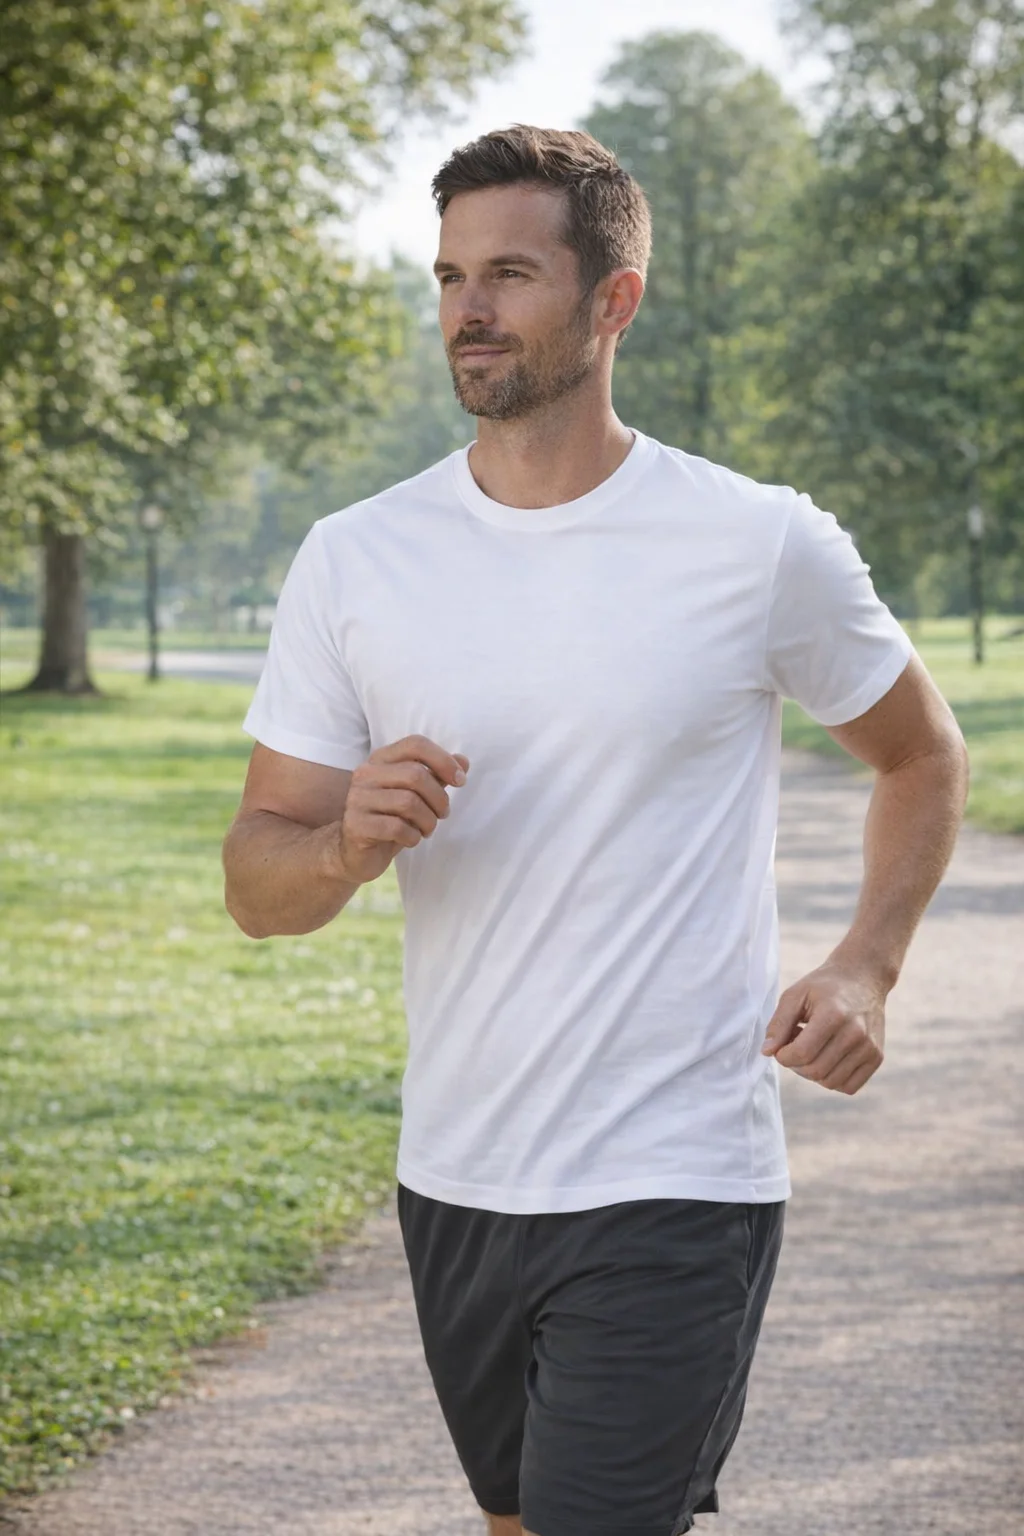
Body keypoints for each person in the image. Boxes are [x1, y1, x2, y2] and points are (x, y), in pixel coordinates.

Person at [222, 126, 968, 1536]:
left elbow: (921, 751)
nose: (470, 310)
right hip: (456, 1175)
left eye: (510, 272)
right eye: (448, 276)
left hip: (675, 1175)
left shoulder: (755, 544)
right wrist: (339, 849)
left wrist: (868, 961)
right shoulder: (355, 555)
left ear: (614, 300)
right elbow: (260, 881)